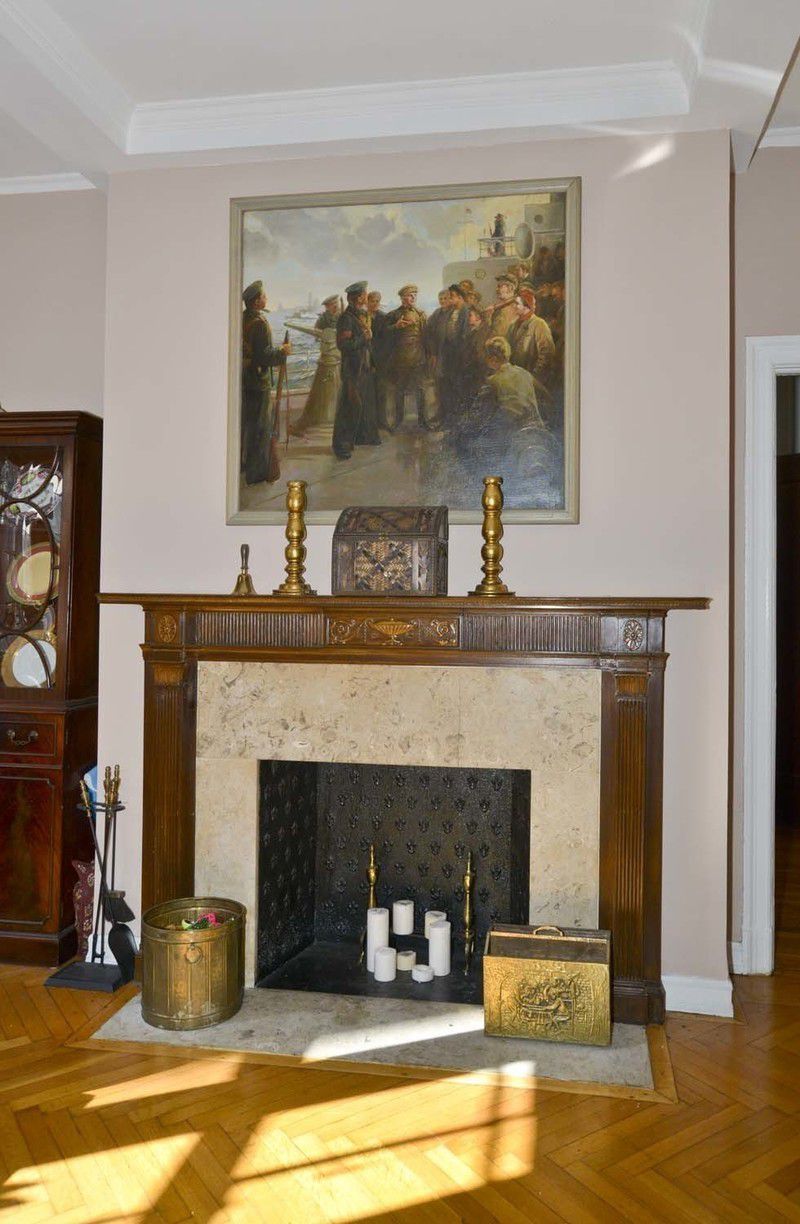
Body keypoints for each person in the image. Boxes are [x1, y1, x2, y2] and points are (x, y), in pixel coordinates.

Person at [240, 279, 291, 485]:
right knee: (260, 428)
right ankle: (257, 473)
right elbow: (264, 356)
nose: (266, 298)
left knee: (247, 425)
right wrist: (282, 351)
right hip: (258, 381)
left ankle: (244, 465)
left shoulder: (243, 318)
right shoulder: (260, 323)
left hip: (244, 380)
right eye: (263, 296)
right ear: (256, 302)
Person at [332, 281, 381, 460]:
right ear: (359, 297)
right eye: (365, 294)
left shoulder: (361, 315)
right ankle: (341, 445)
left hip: (364, 367)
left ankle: (364, 437)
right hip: (353, 369)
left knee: (365, 404)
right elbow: (343, 345)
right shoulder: (346, 318)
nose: (367, 296)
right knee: (350, 406)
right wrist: (363, 338)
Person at [286, 293, 341, 435]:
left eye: (336, 304)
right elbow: (318, 334)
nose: (335, 307)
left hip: (338, 359)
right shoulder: (323, 320)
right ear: (327, 307)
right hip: (327, 358)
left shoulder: (343, 318)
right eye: (332, 305)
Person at [384, 284, 432, 429]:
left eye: (414, 295)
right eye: (410, 295)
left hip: (418, 357)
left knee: (420, 389)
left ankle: (423, 421)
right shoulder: (393, 315)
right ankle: (398, 421)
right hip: (401, 358)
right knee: (399, 390)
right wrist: (396, 327)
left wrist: (428, 355)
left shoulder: (421, 314)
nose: (413, 298)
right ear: (402, 297)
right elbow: (383, 333)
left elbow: (426, 337)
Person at [509, 288, 556, 386]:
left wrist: (534, 377)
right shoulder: (513, 325)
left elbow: (547, 354)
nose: (514, 306)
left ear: (526, 306)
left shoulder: (539, 324)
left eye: (517, 304)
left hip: (531, 381)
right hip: (515, 379)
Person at [368, 290, 393, 432]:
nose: (375, 304)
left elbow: (388, 340)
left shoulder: (383, 317)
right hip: (365, 359)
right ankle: (369, 422)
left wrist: (382, 359)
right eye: (372, 301)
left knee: (381, 392)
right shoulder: (362, 316)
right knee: (367, 392)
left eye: (377, 301)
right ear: (367, 302)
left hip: (380, 359)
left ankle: (382, 421)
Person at [485, 273, 519, 340]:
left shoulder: (513, 307)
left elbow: (499, 334)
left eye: (499, 286)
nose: (496, 289)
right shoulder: (499, 307)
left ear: (511, 288)